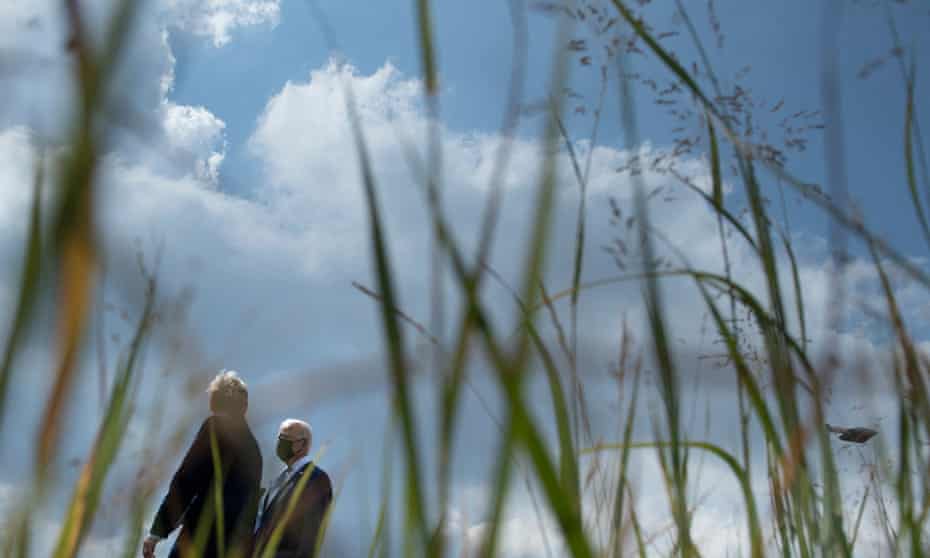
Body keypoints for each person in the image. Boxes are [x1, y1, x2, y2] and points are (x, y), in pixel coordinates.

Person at [143, 371, 263, 558]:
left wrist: (158, 531)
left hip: (200, 539)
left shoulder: (214, 428)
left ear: (214, 403)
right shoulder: (253, 450)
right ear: (244, 407)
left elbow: (187, 481)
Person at [251, 419, 332, 558]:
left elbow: (308, 540)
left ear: (303, 444)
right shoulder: (279, 479)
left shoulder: (315, 479)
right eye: (279, 438)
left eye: (286, 439)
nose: (281, 444)